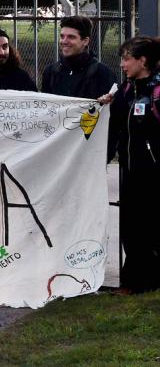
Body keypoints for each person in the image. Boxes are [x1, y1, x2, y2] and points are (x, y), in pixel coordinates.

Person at [100, 36, 160, 294]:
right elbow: (117, 127)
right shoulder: (126, 90)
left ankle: (149, 281)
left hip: (153, 172)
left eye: (127, 58)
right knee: (131, 229)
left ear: (142, 61)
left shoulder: (156, 92)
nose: (122, 64)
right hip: (129, 170)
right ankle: (133, 282)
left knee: (151, 228)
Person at [41, 15, 117, 100]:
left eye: (71, 37)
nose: (64, 41)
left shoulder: (103, 74)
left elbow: (112, 108)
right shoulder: (51, 72)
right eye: (62, 36)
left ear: (85, 41)